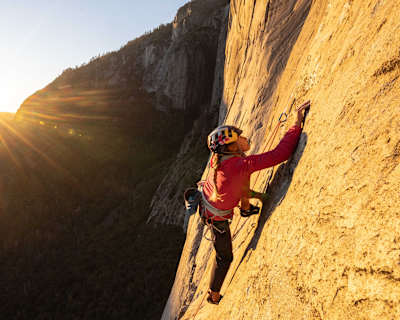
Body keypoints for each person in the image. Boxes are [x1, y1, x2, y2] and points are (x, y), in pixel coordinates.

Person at [201, 101, 310, 304]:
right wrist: (296, 124)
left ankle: (245, 208)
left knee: (243, 176)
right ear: (230, 146)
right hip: (215, 219)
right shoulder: (240, 164)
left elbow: (231, 178)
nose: (243, 139)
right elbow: (280, 154)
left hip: (209, 201)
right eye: (238, 138)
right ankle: (212, 295)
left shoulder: (221, 160)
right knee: (225, 258)